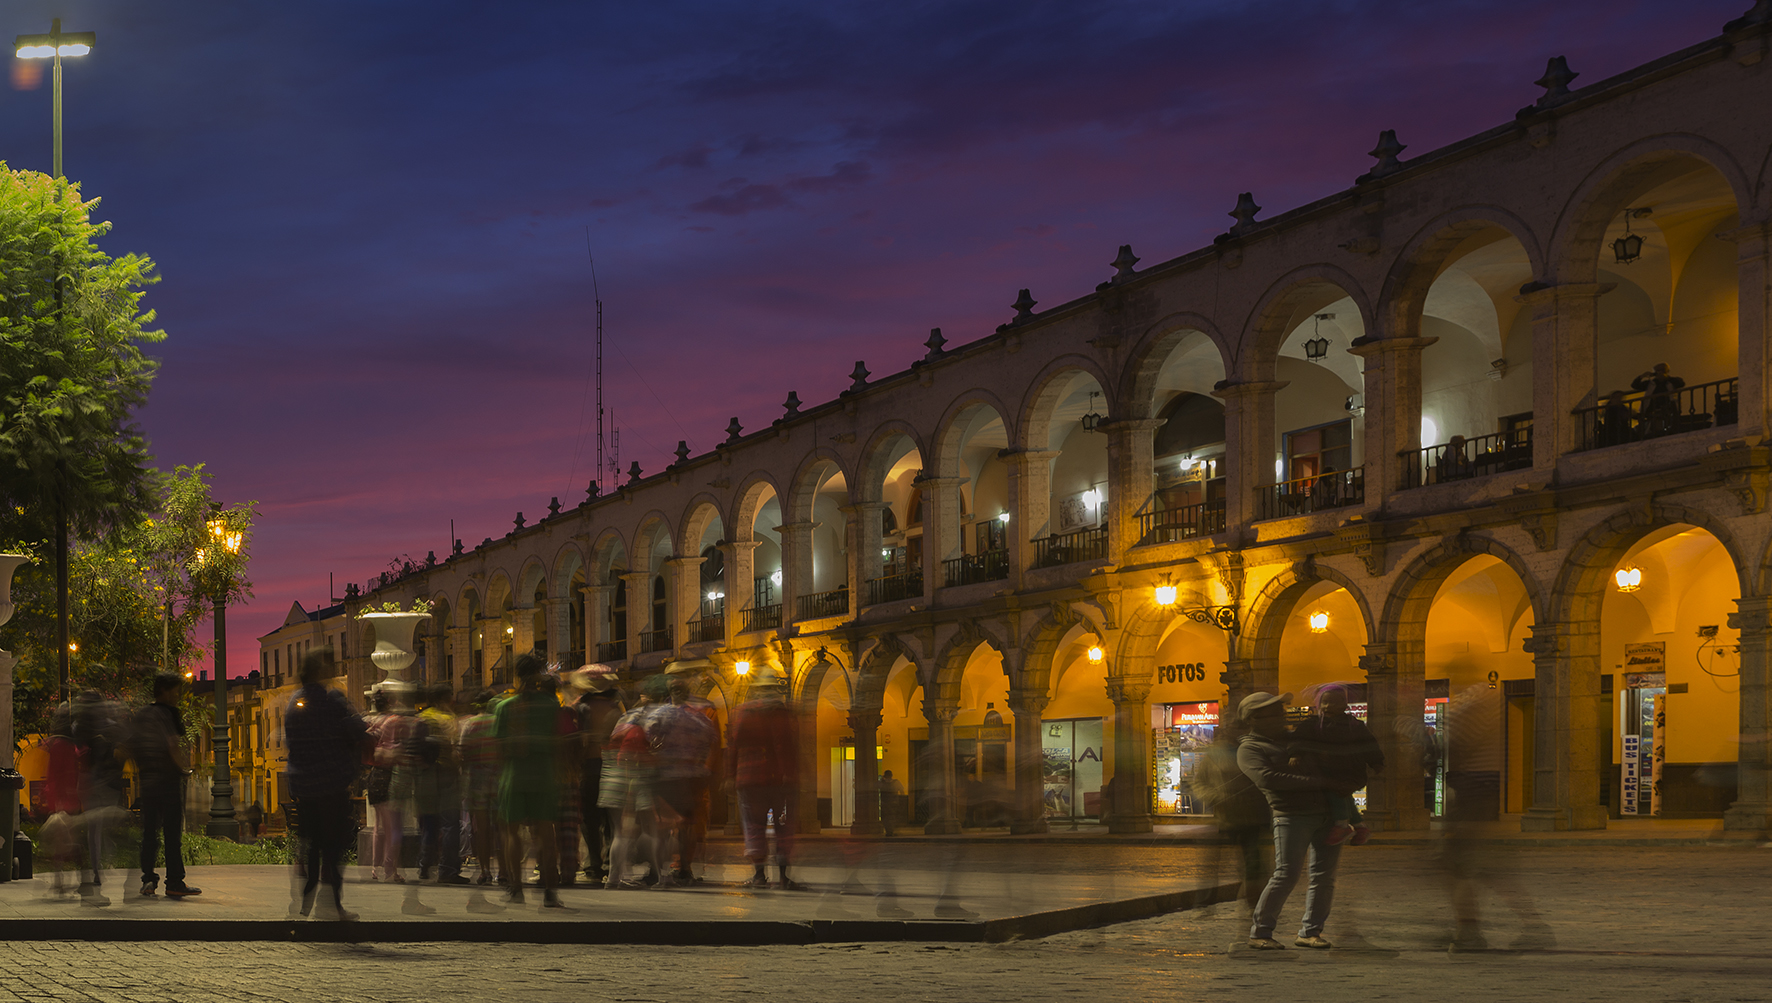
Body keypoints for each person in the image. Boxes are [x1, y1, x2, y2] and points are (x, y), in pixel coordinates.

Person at [1237, 690, 1336, 950]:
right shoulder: (1250, 748)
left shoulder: (1296, 739)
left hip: (1325, 812)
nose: (1282, 716)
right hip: (1291, 815)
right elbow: (1268, 779)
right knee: (1286, 875)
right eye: (1275, 712)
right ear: (1255, 719)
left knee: (1324, 876)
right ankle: (1260, 932)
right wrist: (1315, 782)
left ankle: (1310, 931)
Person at [284, 648, 370, 920]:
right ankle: (330, 903)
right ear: (320, 671)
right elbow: (356, 730)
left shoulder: (294, 702)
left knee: (310, 841)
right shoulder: (331, 700)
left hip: (304, 784)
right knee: (333, 845)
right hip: (330, 783)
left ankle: (306, 897)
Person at [495, 652, 572, 907]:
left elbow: (499, 748)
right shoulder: (550, 705)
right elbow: (559, 743)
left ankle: (516, 888)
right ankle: (550, 891)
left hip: (514, 775)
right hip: (543, 774)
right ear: (540, 674)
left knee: (511, 833)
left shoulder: (505, 707)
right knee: (546, 834)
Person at [728, 666, 802, 889]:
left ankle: (759, 875)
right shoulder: (782, 712)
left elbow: (733, 746)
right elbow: (786, 745)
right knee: (783, 827)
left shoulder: (741, 712)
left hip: (749, 779)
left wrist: (729, 775)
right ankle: (783, 876)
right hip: (779, 780)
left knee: (754, 826)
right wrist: (790, 774)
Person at [129, 673, 200, 899]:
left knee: (150, 832)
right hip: (168, 782)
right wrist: (184, 769)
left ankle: (148, 879)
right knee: (172, 833)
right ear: (166, 691)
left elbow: (132, 745)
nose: (178, 696)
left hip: (147, 783)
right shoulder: (170, 713)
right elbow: (172, 744)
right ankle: (175, 882)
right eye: (176, 691)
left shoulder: (141, 714)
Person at [1291, 683, 1384, 846]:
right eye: (1324, 703)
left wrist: (1376, 761)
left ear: (1344, 705)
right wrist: (1295, 754)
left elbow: (1369, 744)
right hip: (1325, 769)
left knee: (1338, 791)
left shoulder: (1354, 725)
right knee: (1342, 794)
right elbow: (1300, 740)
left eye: (1333, 703)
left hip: (1348, 769)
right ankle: (1359, 826)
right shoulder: (1311, 725)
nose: (1327, 707)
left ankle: (1342, 825)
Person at [1195, 713, 1270, 914]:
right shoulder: (1214, 753)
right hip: (1224, 816)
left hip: (1252, 816)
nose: (1235, 731)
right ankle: (1205, 903)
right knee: (1213, 863)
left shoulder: (1255, 749)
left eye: (1240, 727)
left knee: (1253, 864)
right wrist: (1214, 796)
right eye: (1232, 727)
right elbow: (1199, 782)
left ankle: (1257, 908)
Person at [650, 673, 717, 884]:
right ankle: (685, 868)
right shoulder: (698, 716)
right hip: (691, 777)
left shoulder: (659, 714)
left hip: (667, 777)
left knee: (661, 824)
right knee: (686, 825)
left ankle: (658, 870)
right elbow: (711, 739)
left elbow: (648, 738)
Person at [600, 676, 665, 889]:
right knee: (651, 829)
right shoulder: (657, 716)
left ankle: (613, 879)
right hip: (641, 776)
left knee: (619, 831)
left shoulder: (626, 716)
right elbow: (657, 747)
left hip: (615, 776)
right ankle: (659, 875)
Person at [572, 667, 624, 884]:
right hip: (612, 765)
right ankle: (610, 864)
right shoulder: (616, 708)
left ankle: (594, 864)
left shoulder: (579, 707)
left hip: (589, 766)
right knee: (611, 819)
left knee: (590, 819)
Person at [415, 682, 466, 884]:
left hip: (425, 775)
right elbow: (456, 748)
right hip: (447, 774)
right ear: (443, 699)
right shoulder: (448, 719)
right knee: (451, 824)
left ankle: (424, 865)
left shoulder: (421, 718)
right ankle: (448, 870)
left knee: (429, 822)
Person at [456, 688, 501, 885]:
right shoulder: (499, 723)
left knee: (481, 830)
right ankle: (506, 871)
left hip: (476, 780)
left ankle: (485, 871)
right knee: (503, 828)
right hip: (499, 779)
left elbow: (462, 753)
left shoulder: (470, 724)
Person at [1631, 362, 1685, 436]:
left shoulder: (1672, 381)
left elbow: (1681, 383)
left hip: (1670, 408)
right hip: (1652, 409)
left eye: (1662, 370)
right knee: (1653, 427)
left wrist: (1666, 378)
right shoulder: (1651, 383)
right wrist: (1642, 376)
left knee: (1672, 425)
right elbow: (1635, 385)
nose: (1659, 372)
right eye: (1657, 371)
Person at [878, 770, 905, 837]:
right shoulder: (896, 782)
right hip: (894, 802)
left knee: (885, 817)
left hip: (885, 803)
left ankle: (888, 831)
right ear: (891, 776)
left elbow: (874, 787)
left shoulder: (881, 783)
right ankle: (891, 830)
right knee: (892, 817)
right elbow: (902, 791)